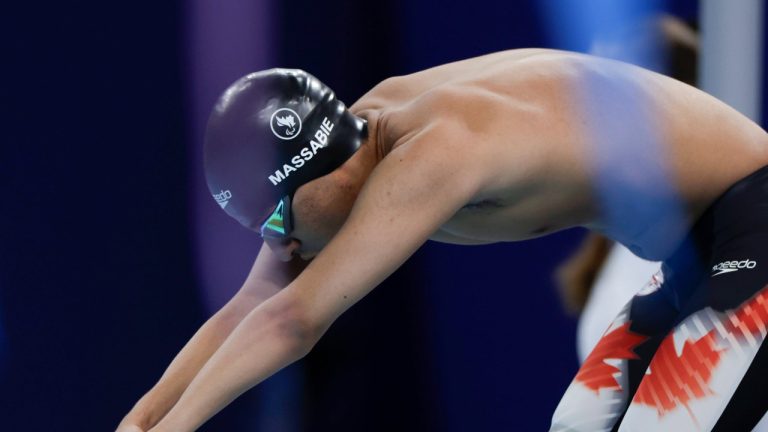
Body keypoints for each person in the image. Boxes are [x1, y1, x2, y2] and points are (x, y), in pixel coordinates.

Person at [117, 48, 768, 432]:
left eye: (277, 224)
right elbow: (249, 306)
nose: (279, 247)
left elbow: (292, 319)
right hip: (697, 259)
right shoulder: (345, 145)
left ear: (319, 176)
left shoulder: (435, 152)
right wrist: (144, 419)